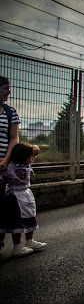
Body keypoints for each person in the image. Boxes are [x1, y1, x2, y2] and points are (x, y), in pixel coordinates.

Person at [0, 142, 44, 257]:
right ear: (22, 156)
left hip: (26, 194)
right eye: (29, 156)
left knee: (30, 217)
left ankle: (30, 241)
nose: (32, 158)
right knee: (18, 221)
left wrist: (31, 148)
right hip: (15, 196)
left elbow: (36, 150)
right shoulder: (10, 167)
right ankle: (17, 246)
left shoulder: (26, 164)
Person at [0, 76, 20, 255]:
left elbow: (14, 138)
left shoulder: (10, 112)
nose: (9, 91)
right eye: (6, 88)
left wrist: (6, 159)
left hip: (2, 165)